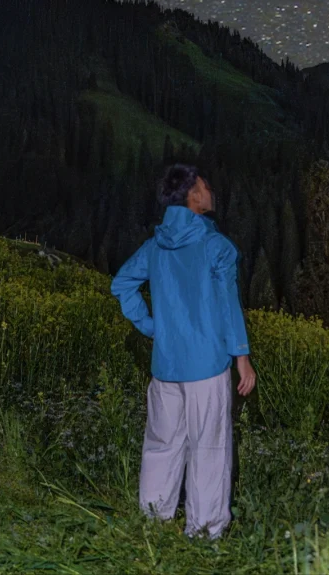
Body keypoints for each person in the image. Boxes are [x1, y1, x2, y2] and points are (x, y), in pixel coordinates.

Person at [110, 162, 256, 541]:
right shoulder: (215, 247)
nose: (211, 191)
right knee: (208, 448)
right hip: (207, 366)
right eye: (205, 185)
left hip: (166, 366)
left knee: (161, 444)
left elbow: (122, 284)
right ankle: (205, 533)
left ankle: (151, 520)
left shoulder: (154, 246)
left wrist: (152, 327)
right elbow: (228, 304)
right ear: (193, 194)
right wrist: (242, 356)